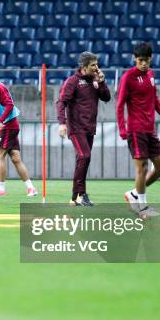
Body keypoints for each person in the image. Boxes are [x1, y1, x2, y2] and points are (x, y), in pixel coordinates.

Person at [116, 43, 160, 217]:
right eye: (140, 60)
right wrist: (122, 128)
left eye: (146, 60)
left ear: (151, 58)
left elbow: (154, 99)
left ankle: (134, 194)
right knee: (142, 167)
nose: (143, 64)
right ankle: (142, 207)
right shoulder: (128, 77)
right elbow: (120, 104)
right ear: (135, 59)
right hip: (135, 129)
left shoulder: (151, 75)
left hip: (150, 129)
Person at [56, 51, 111, 206]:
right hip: (76, 128)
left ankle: (78, 196)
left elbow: (106, 97)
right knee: (84, 156)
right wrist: (62, 123)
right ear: (84, 67)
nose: (96, 67)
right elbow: (61, 102)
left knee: (83, 160)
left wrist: (102, 82)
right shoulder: (72, 81)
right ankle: (78, 195)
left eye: (96, 64)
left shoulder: (95, 80)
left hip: (89, 128)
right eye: (93, 65)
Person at [0, 64, 37, 197]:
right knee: (16, 158)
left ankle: (0, 188)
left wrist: (1, 121)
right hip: (10, 125)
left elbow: (9, 104)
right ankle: (31, 188)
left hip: (8, 126)